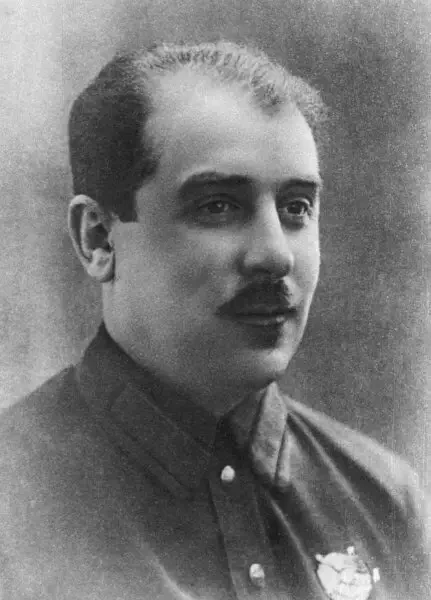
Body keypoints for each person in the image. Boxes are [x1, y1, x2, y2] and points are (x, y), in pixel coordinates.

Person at [0, 41, 429, 600]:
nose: (275, 255)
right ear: (98, 238)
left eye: (296, 208)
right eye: (218, 206)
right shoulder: (13, 498)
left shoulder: (382, 499)